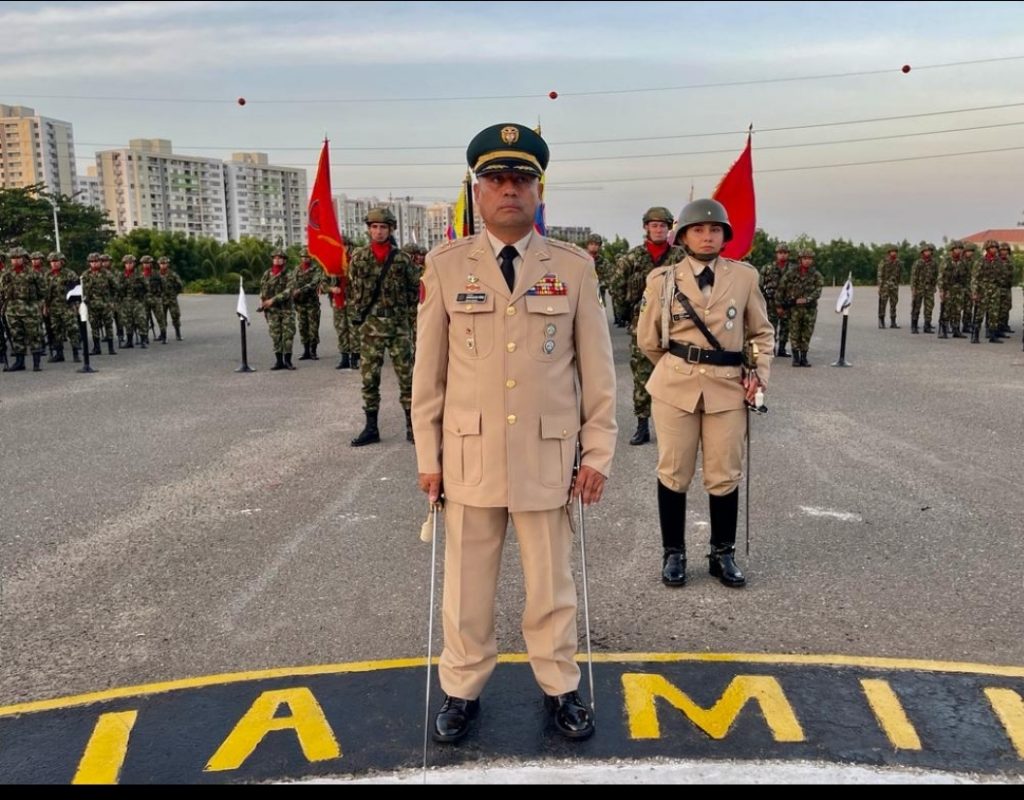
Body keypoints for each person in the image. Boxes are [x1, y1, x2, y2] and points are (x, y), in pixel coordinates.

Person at [412, 122, 617, 743]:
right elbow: (429, 374)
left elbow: (599, 373)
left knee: (551, 586)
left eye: (521, 179)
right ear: (477, 191)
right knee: (466, 590)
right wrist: (429, 455)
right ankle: (461, 690)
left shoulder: (574, 269)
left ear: (538, 190)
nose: (509, 190)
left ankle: (560, 688)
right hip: (469, 455)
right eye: (496, 179)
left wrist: (598, 452)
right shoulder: (447, 265)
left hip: (547, 457)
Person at [636, 198, 773, 589]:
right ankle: (674, 553)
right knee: (673, 471)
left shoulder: (745, 277)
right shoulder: (661, 280)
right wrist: (676, 367)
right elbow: (648, 339)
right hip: (675, 385)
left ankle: (722, 553)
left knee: (724, 473)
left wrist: (758, 373)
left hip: (727, 387)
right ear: (683, 237)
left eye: (715, 230)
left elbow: (761, 333)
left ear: (725, 236)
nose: (707, 236)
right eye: (698, 229)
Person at [612, 207, 686, 446]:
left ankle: (675, 426)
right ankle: (642, 426)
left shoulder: (681, 257)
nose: (658, 229)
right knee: (642, 376)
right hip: (642, 325)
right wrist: (626, 314)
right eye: (654, 225)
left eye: (663, 226)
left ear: (669, 229)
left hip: (676, 327)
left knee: (677, 376)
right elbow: (617, 286)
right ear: (646, 227)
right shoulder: (632, 258)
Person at [348, 208, 420, 446]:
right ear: (369, 229)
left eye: (383, 227)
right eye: (374, 227)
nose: (378, 231)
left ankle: (413, 427)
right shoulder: (358, 258)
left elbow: (414, 293)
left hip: (398, 326)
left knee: (407, 378)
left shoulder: (402, 259)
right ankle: (371, 428)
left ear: (391, 230)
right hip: (370, 327)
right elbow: (354, 293)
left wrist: (412, 324)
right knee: (369, 379)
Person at [1, 247, 47, 372]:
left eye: (18, 258)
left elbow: (43, 291)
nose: (15, 261)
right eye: (13, 258)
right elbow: (2, 291)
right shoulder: (6, 273)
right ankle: (19, 362)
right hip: (12, 309)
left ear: (25, 259)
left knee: (34, 335)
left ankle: (36, 362)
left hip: (30, 309)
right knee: (16, 336)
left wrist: (40, 305)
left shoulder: (33, 273)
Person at [775, 248, 823, 366]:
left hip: (809, 309)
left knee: (807, 333)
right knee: (794, 333)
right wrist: (779, 305)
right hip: (794, 309)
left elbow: (818, 290)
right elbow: (781, 289)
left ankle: (804, 357)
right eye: (805, 258)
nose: (807, 261)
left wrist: (807, 299)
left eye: (810, 259)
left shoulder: (816, 275)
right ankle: (796, 358)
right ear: (800, 260)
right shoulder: (791, 273)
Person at [259, 249, 297, 371]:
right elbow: (262, 288)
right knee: (275, 335)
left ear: (284, 260)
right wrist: (262, 300)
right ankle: (279, 361)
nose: (277, 260)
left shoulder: (289, 274)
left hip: (286, 309)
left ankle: (288, 361)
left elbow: (288, 291)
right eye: (275, 258)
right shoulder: (267, 273)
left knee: (287, 336)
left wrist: (272, 300)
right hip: (272, 311)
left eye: (280, 258)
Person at [759, 243, 792, 357]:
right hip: (770, 303)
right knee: (770, 327)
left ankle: (782, 349)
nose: (782, 255)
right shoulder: (767, 268)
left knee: (785, 327)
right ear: (776, 254)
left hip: (787, 303)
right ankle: (770, 349)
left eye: (785, 253)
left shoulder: (792, 269)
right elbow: (760, 285)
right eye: (780, 253)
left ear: (788, 254)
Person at [292, 250, 324, 361]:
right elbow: (292, 282)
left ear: (311, 258)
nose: (305, 258)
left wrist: (300, 290)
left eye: (307, 257)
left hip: (312, 303)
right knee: (302, 327)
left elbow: (314, 283)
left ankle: (313, 351)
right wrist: (293, 292)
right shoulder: (297, 269)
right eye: (303, 257)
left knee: (313, 328)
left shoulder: (316, 269)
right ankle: (305, 351)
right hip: (300, 304)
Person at [909, 244, 939, 334]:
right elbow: (914, 276)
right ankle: (914, 326)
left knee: (929, 307)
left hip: (929, 288)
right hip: (919, 288)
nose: (928, 253)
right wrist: (913, 288)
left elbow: (935, 276)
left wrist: (934, 286)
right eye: (926, 251)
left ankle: (927, 325)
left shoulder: (934, 263)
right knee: (916, 307)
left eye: (929, 251)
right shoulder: (918, 263)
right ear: (922, 252)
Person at [158, 257, 185, 341]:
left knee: (175, 316)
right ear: (159, 265)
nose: (163, 265)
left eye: (164, 263)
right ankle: (162, 334)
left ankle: (178, 334)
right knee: (162, 317)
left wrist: (175, 293)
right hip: (162, 299)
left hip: (172, 299)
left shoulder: (173, 274)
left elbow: (180, 285)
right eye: (161, 264)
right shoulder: (156, 275)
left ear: (167, 264)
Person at [584, 234, 613, 310]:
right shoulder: (581, 260)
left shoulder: (604, 262)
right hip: (583, 294)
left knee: (600, 314)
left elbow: (610, 278)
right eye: (591, 244)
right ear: (587, 245)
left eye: (596, 244)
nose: (593, 246)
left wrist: (599, 284)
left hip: (598, 293)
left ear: (599, 246)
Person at [877, 245, 902, 329]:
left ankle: (893, 321)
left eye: (895, 251)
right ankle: (881, 321)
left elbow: (899, 274)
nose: (894, 253)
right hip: (885, 286)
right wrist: (880, 286)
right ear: (889, 253)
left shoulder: (898, 262)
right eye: (892, 251)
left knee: (894, 304)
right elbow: (880, 274)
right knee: (882, 304)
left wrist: (898, 283)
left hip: (894, 286)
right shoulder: (884, 262)